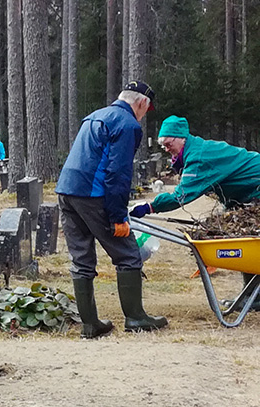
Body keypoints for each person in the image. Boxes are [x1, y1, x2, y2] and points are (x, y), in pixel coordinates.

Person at [56, 80, 167, 338]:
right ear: (141, 103)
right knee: (128, 254)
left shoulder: (95, 116)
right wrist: (118, 216)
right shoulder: (127, 124)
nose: (142, 116)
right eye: (145, 110)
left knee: (81, 258)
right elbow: (118, 173)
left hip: (66, 190)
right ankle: (136, 318)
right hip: (92, 194)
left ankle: (90, 324)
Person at [130, 115, 260, 309]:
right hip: (247, 195)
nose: (166, 149)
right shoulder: (195, 149)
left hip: (255, 191)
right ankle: (253, 297)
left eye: (168, 144)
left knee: (249, 242)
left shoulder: (198, 156)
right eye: (163, 146)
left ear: (181, 138)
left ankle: (253, 298)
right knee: (250, 246)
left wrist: (150, 207)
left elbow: (181, 196)